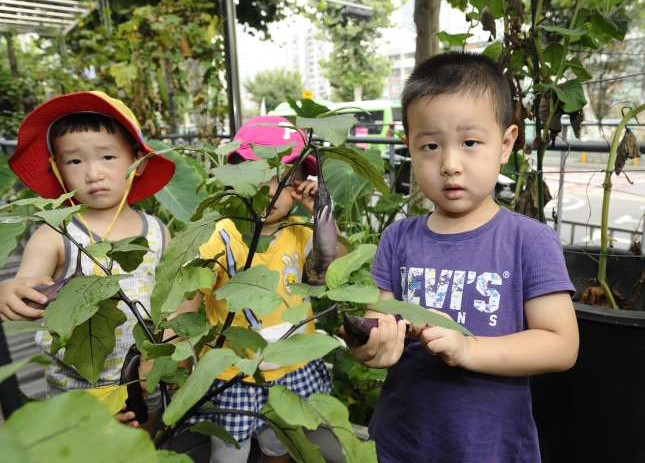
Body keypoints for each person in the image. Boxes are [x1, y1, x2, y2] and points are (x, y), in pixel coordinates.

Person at [342, 52, 580, 462]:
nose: (450, 164)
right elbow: (379, 320)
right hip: (400, 442)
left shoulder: (529, 241)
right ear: (409, 148)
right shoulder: (398, 238)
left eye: (470, 142)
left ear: (506, 144)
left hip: (489, 447)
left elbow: (560, 345)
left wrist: (469, 350)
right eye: (431, 146)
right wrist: (367, 347)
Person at [0, 91, 176, 435]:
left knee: (142, 444)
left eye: (108, 156)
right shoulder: (54, 235)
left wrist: (171, 346)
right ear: (57, 169)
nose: (93, 173)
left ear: (137, 162)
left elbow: (174, 297)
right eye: (75, 161)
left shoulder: (158, 231)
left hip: (143, 380)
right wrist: (11, 291)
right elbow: (29, 284)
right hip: (78, 392)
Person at [174, 116, 346, 463]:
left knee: (279, 442)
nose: (269, 190)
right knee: (229, 451)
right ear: (234, 178)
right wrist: (176, 352)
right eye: (257, 176)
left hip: (290, 365)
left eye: (283, 180)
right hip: (232, 371)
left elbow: (334, 265)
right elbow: (187, 299)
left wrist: (321, 214)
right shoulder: (218, 234)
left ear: (300, 185)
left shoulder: (300, 229)